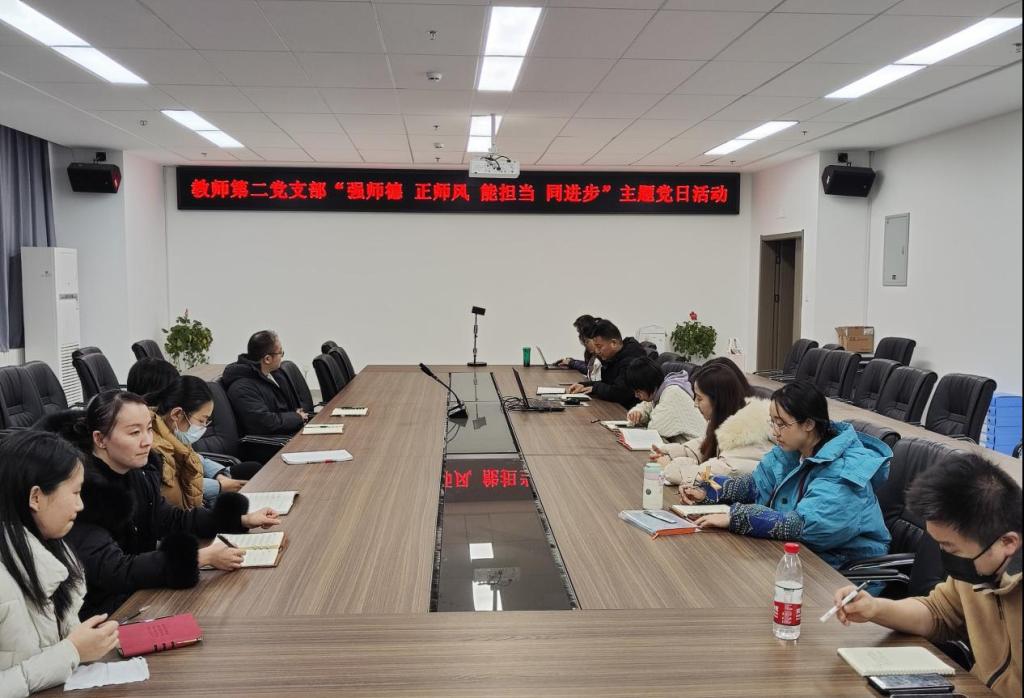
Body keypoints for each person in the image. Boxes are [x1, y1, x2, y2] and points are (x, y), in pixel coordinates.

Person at [40, 391, 279, 618]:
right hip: (104, 613)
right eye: (134, 433)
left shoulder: (138, 472)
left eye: (149, 429)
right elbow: (113, 570)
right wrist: (199, 558)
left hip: (140, 593)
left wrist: (239, 519)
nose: (147, 441)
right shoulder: (82, 493)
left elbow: (168, 518)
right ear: (100, 439)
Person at [833, 454, 1020, 697]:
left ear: (1007, 542)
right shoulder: (979, 570)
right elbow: (937, 612)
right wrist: (874, 608)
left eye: (952, 548)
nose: (944, 556)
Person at [679, 380, 891, 570]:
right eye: (772, 422)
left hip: (842, 571)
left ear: (808, 424)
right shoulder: (792, 452)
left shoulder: (844, 470)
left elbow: (802, 525)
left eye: (781, 424)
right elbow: (756, 485)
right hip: (799, 557)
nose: (775, 431)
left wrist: (735, 517)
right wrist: (709, 490)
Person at [0, 431, 120, 697]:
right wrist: (71, 652)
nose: (80, 505)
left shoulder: (54, 550)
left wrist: (86, 641)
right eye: (75, 492)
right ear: (36, 497)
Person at [652, 362, 773, 486]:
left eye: (699, 398)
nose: (695, 404)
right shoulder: (730, 420)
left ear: (718, 400)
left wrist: (669, 467)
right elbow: (705, 445)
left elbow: (712, 477)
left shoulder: (749, 434)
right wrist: (670, 452)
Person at [146, 376, 253, 509]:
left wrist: (219, 474)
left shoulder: (173, 431)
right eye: (202, 420)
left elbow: (194, 457)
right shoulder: (154, 448)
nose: (203, 427)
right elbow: (176, 489)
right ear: (177, 414)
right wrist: (219, 486)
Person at [222, 330, 307, 437]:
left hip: (288, 432)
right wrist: (296, 417)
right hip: (275, 442)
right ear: (267, 359)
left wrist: (296, 415)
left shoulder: (273, 374)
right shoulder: (241, 388)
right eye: (280, 352)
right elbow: (264, 423)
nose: (282, 356)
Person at [567, 319, 647, 408]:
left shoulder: (632, 359)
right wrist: (584, 385)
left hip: (628, 411)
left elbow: (620, 393)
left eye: (599, 346)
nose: (597, 351)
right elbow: (608, 384)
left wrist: (594, 388)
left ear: (614, 343)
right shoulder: (614, 357)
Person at [622, 358, 705, 443]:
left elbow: (654, 429)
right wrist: (638, 412)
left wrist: (643, 418)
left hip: (697, 448)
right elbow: (647, 405)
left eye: (638, 391)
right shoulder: (661, 390)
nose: (636, 395)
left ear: (648, 384)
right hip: (684, 446)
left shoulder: (672, 393)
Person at [557, 315, 602, 380]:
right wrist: (572, 361)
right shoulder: (589, 351)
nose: (579, 336)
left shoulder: (599, 350)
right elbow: (589, 366)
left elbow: (589, 369)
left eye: (579, 333)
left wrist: (572, 363)